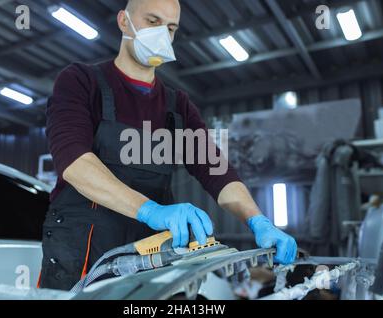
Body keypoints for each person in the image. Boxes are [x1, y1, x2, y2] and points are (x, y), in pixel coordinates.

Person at [38, 0, 297, 291]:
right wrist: (153, 211)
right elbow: (74, 163)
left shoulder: (177, 107)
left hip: (150, 252)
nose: (162, 33)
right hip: (82, 251)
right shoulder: (81, 81)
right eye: (152, 21)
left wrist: (257, 220)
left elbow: (217, 171)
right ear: (124, 21)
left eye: (170, 27)